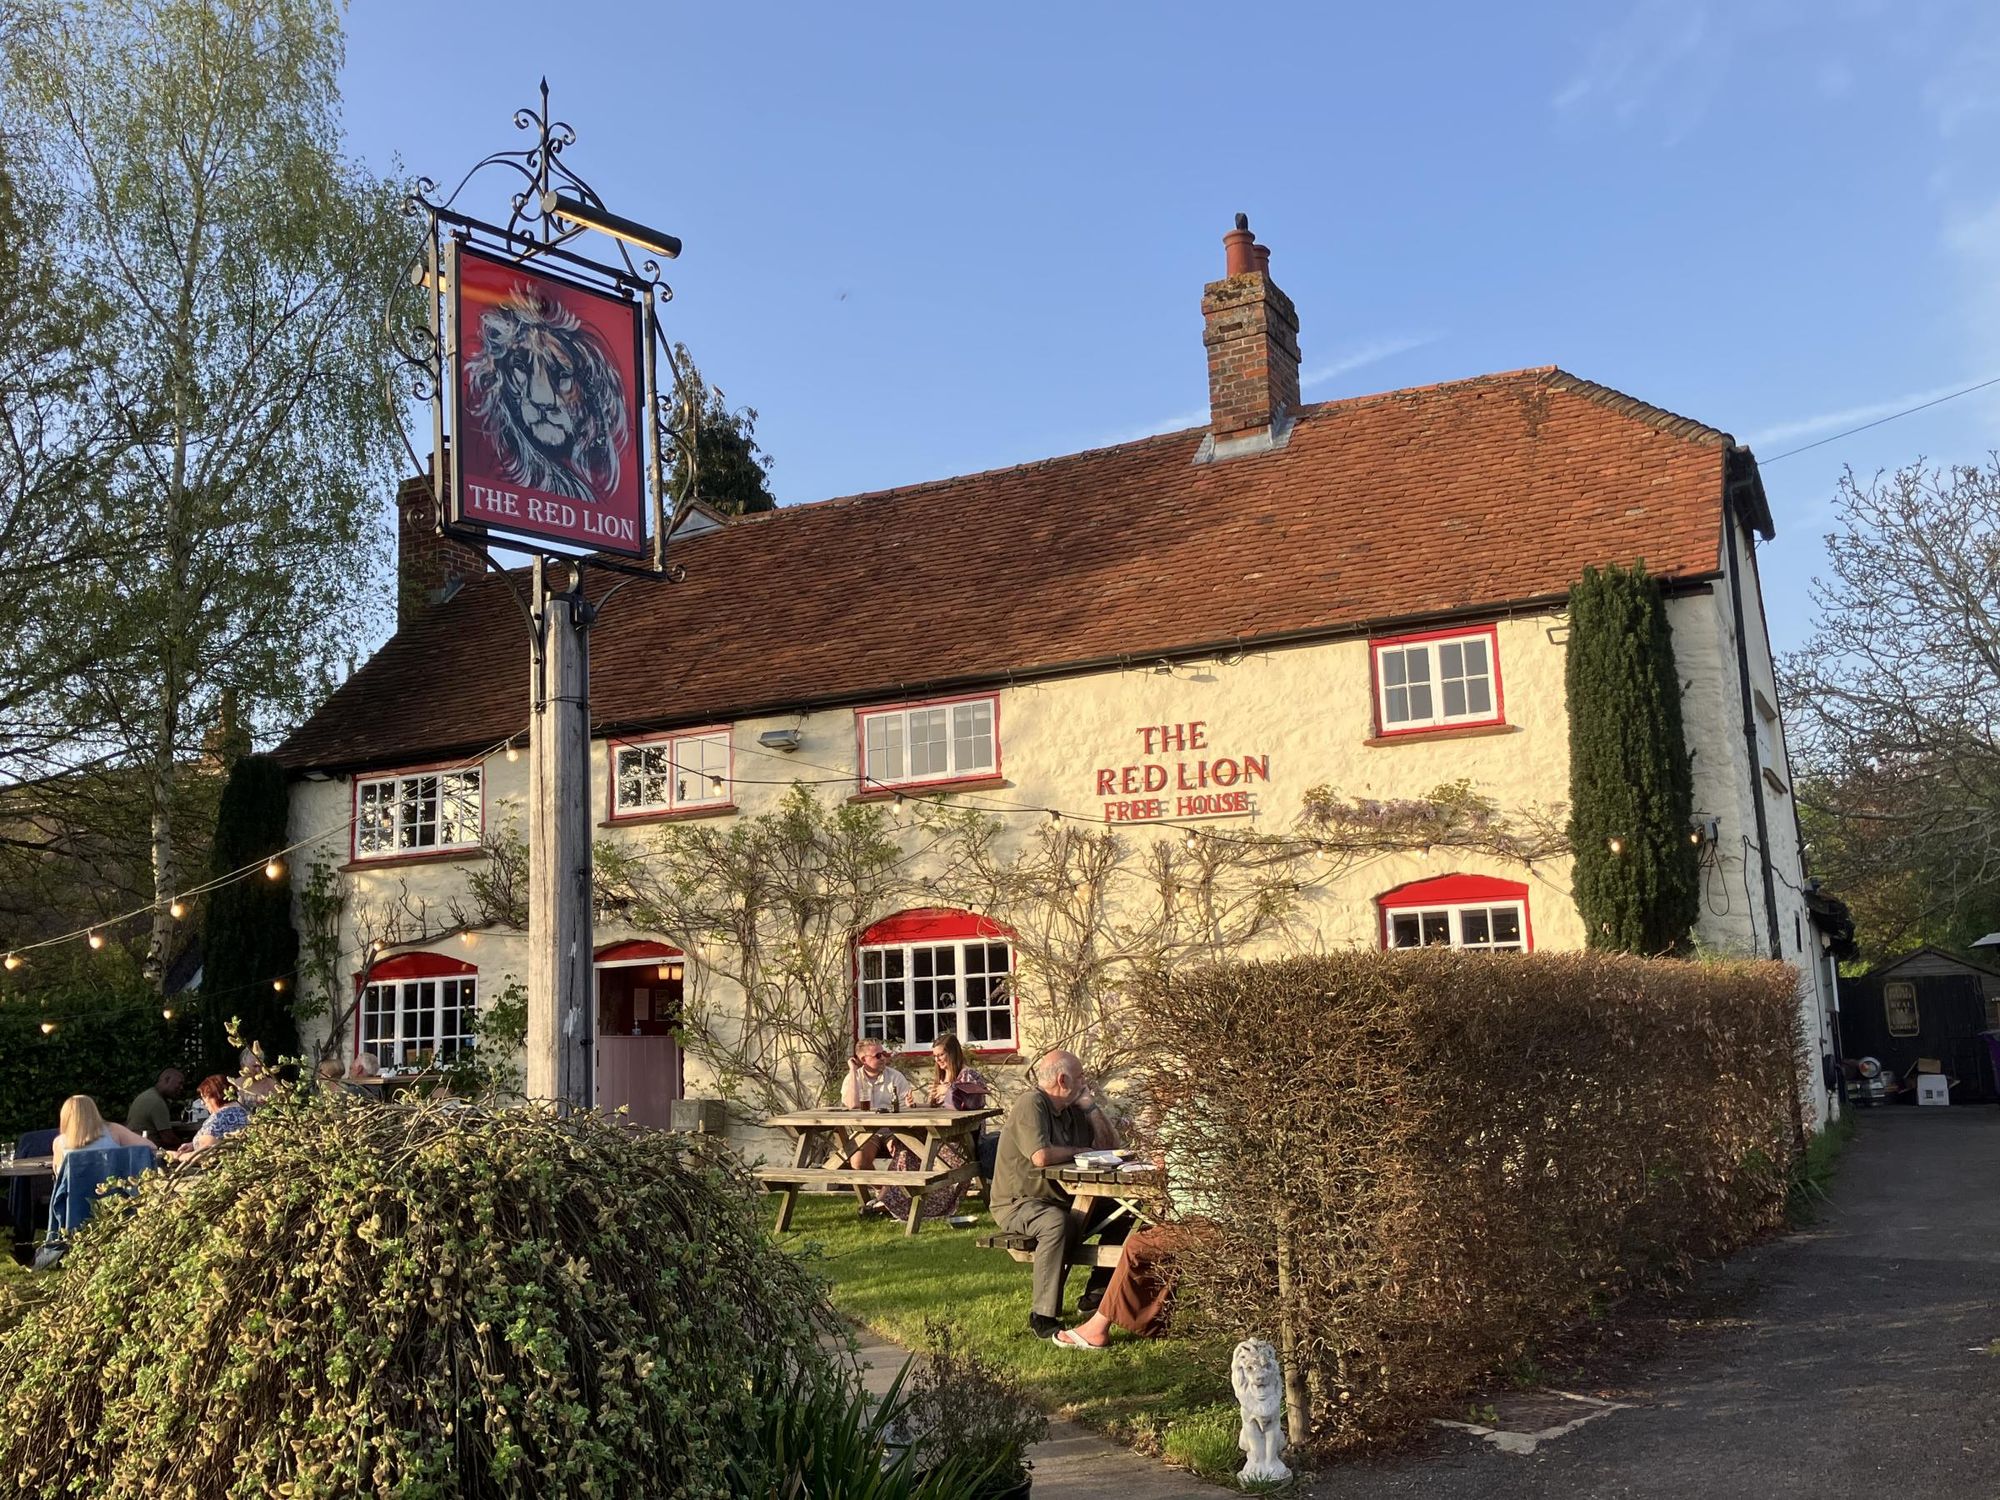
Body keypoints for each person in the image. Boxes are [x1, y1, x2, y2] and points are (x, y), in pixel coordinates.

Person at [990, 1049, 1124, 1337]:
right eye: (1080, 1076)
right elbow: (1040, 1156)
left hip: (1065, 1198)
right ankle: (1043, 1315)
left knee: (1120, 1209)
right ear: (1063, 1079)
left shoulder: (1073, 1109)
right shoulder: (1031, 1103)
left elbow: (1110, 1147)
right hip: (1021, 1203)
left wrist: (1091, 1109)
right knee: (1056, 1224)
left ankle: (1096, 1294)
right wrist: (1080, 1151)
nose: (1085, 1081)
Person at [876, 1033, 988, 1224]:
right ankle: (892, 1200)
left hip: (960, 1139)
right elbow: (937, 1108)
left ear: (952, 1053)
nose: (937, 1060)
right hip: (940, 1134)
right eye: (934, 1057)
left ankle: (916, 1204)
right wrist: (915, 1106)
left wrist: (952, 1089)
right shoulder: (942, 1077)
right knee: (906, 1145)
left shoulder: (968, 1075)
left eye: (941, 1055)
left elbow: (977, 1103)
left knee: (919, 1149)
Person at [1050, 1223, 1192, 1348]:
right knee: (1141, 1238)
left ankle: (1097, 1328)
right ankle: (1151, 1321)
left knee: (1140, 1245)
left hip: (1206, 1221)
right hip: (1194, 1218)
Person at [840, 1039, 912, 1183]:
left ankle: (887, 1198)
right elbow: (851, 1105)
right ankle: (884, 1195)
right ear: (863, 1060)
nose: (883, 1058)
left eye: (884, 1053)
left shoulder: (895, 1077)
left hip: (893, 1130)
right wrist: (853, 1070)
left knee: (904, 1156)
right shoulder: (853, 1078)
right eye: (878, 1056)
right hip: (865, 1131)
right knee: (857, 1163)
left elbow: (906, 1110)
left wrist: (897, 1134)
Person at [52, 1095, 149, 1172]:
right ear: (94, 1111)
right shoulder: (114, 1130)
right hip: (113, 1193)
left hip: (76, 1196)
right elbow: (150, 1147)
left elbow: (59, 1176)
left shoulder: (59, 1143)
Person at [172, 1076, 250, 1159]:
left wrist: (177, 1156)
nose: (202, 1103)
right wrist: (193, 1145)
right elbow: (218, 1140)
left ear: (213, 1096)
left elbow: (205, 1155)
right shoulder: (245, 1111)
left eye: (204, 1098)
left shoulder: (219, 1119)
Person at [125, 1069, 187, 1148]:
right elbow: (168, 1139)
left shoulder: (147, 1095)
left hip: (135, 1147)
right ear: (167, 1079)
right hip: (150, 1151)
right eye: (179, 1083)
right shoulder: (157, 1102)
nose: (181, 1088)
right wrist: (186, 1145)